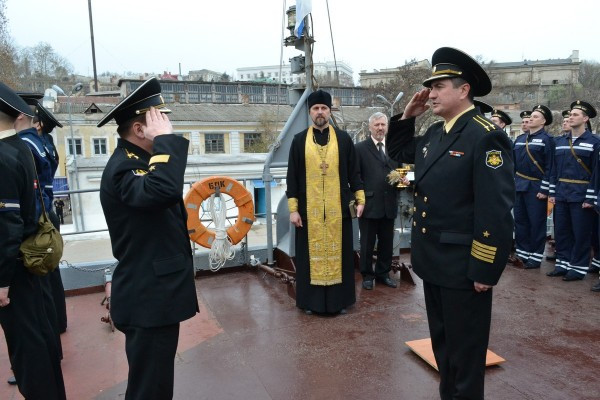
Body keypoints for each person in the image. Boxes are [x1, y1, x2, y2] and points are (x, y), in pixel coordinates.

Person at [387, 47, 514, 400]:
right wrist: (407, 116)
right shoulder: (437, 134)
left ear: (463, 90)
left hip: (463, 266)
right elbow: (399, 154)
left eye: (439, 86)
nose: (431, 93)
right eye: (430, 86)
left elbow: (496, 210)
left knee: (466, 355)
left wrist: (485, 270)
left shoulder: (485, 135)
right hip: (434, 261)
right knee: (444, 348)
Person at [99, 77, 199, 400]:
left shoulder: (142, 162)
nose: (167, 125)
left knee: (153, 385)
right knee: (149, 390)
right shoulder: (123, 169)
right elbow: (163, 190)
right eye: (158, 120)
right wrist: (166, 142)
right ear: (140, 130)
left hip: (156, 297)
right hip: (148, 300)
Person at [0, 81, 66, 399]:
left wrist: (2, 280)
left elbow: (7, 225)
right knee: (42, 328)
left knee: (27, 346)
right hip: (35, 239)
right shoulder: (27, 146)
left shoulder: (9, 152)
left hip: (18, 258)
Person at [286, 89, 365, 315]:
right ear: (309, 112)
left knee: (340, 253)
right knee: (308, 257)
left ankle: (339, 302)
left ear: (330, 111)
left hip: (337, 210)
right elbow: (292, 177)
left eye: (324, 108)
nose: (320, 112)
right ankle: (310, 302)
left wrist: (360, 199)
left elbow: (354, 172)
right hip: (308, 212)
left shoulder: (343, 138)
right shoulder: (299, 140)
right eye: (315, 109)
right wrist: (293, 210)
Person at [547, 101, 600, 281]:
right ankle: (562, 263)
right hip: (562, 193)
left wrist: (591, 198)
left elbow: (596, 173)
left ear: (585, 119)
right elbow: (554, 170)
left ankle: (577, 268)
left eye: (575, 114)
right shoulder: (561, 141)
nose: (571, 117)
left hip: (581, 194)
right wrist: (552, 193)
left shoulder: (595, 142)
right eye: (570, 114)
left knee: (581, 233)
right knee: (562, 231)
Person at [355, 112, 398, 290]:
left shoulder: (395, 147)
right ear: (370, 127)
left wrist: (404, 180)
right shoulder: (359, 148)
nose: (380, 128)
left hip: (389, 204)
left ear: (387, 126)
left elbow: (401, 171)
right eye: (377, 125)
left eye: (383, 125)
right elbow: (355, 176)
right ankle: (366, 275)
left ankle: (383, 274)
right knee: (367, 243)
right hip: (368, 204)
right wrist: (358, 200)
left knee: (387, 242)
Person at [512, 105, 555, 269]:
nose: (530, 119)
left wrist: (545, 189)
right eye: (530, 116)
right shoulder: (520, 139)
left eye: (535, 117)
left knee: (536, 222)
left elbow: (550, 166)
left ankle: (536, 256)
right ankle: (522, 253)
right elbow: (514, 166)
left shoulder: (547, 140)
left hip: (536, 187)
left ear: (543, 121)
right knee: (521, 221)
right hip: (520, 185)